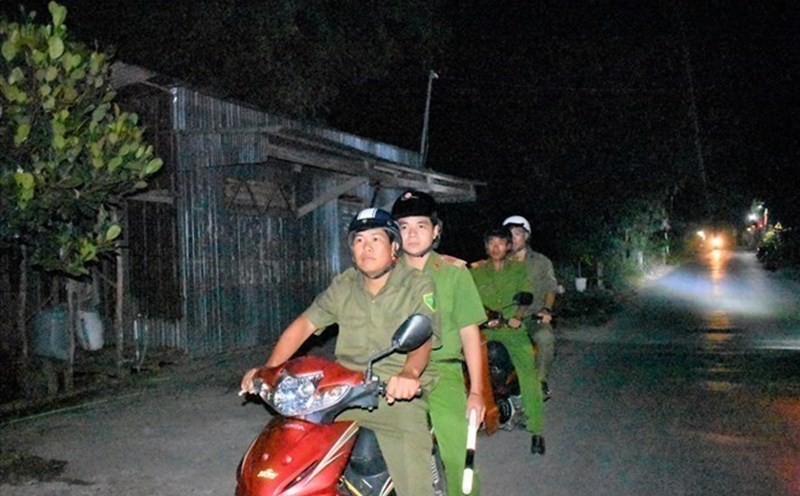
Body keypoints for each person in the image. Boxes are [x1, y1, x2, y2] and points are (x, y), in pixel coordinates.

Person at [240, 207, 441, 496]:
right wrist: (268, 369)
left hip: (392, 393)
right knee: (288, 449)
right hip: (340, 389)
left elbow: (422, 339)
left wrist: (408, 374)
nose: (366, 247)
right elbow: (303, 326)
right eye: (359, 240)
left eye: (375, 239)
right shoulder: (344, 284)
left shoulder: (416, 284)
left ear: (394, 247)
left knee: (414, 472)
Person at [391, 190, 487, 495]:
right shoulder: (383, 274)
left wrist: (476, 391)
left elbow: (470, 333)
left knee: (458, 454)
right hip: (394, 370)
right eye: (404, 226)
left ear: (436, 231)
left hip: (442, 372)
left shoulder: (453, 273)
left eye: (421, 225)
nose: (412, 234)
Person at [470, 226, 546, 455]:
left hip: (512, 329)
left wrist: (517, 317)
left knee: (529, 374)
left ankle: (537, 429)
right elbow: (468, 301)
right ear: (486, 247)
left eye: (500, 243)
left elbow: (525, 297)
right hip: (484, 330)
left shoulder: (519, 270)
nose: (495, 248)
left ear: (508, 246)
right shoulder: (475, 272)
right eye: (491, 243)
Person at [503, 215, 559, 401]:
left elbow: (551, 288)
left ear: (526, 236)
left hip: (532, 316)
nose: (512, 238)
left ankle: (540, 382)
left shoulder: (541, 262)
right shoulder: (498, 261)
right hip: (504, 317)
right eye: (509, 234)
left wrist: (547, 310)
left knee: (545, 336)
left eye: (517, 233)